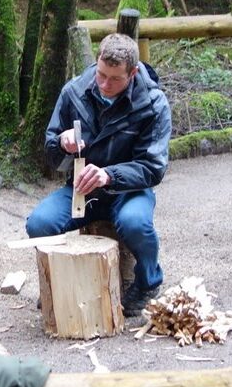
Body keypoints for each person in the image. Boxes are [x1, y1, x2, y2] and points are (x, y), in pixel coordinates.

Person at [25, 33, 171, 317]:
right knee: (39, 225)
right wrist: (62, 144)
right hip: (80, 187)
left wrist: (109, 175)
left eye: (115, 79)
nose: (105, 84)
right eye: (101, 75)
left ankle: (148, 282)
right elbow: (51, 154)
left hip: (127, 189)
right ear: (97, 63)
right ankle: (59, 284)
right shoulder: (74, 91)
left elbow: (153, 167)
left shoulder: (153, 104)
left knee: (135, 224)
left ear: (134, 72)